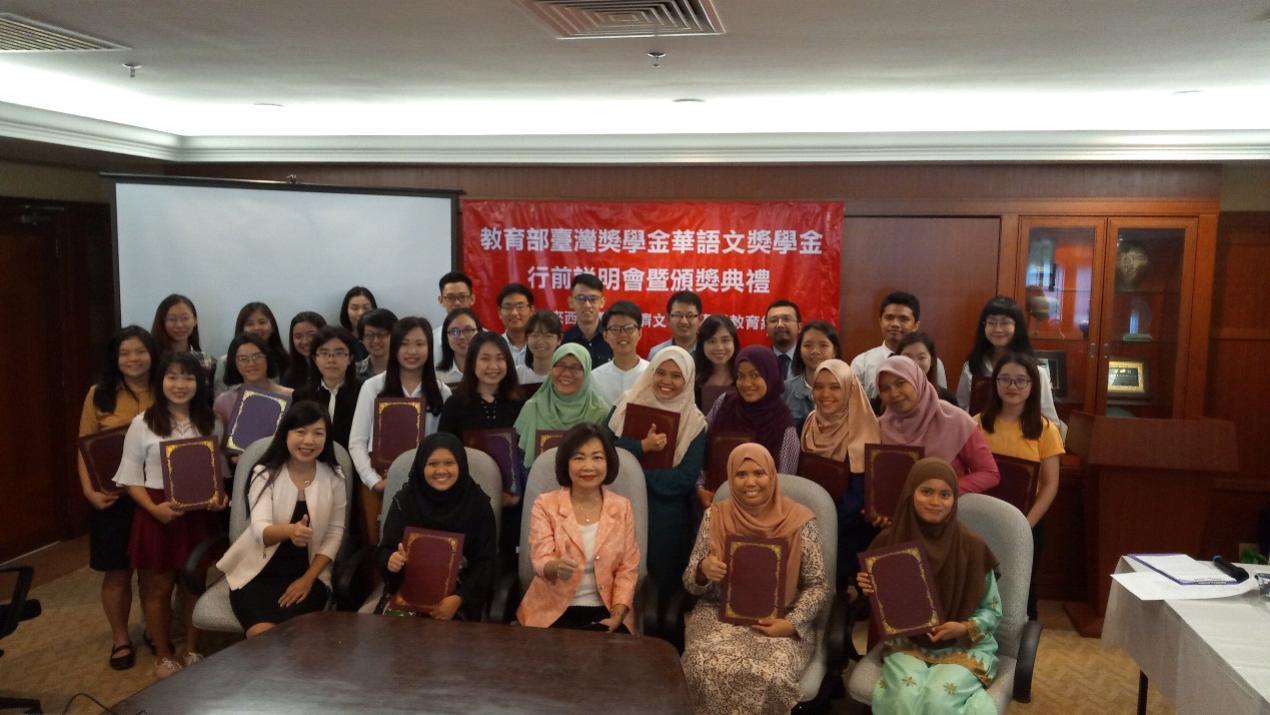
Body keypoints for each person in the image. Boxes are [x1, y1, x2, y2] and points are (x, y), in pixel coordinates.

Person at [680, 443, 831, 715]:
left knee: (769, 672)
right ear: (730, 477)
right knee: (699, 664)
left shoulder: (800, 520)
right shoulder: (715, 515)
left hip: (781, 620)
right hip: (718, 614)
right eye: (741, 474)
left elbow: (817, 584)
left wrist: (791, 623)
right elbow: (690, 581)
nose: (750, 482)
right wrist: (704, 570)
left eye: (759, 473)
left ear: (771, 475)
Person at [113, 351, 228, 679]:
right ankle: (163, 654)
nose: (180, 385)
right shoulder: (143, 423)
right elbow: (130, 478)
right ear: (160, 381)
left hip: (198, 515)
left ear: (199, 382)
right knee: (157, 587)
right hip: (158, 512)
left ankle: (192, 648)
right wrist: (153, 509)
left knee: (194, 583)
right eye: (172, 377)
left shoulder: (211, 421)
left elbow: (218, 473)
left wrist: (219, 498)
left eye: (188, 377)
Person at [856, 458, 1001, 715]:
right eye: (926, 492)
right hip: (908, 643)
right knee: (904, 696)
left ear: (955, 499)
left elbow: (992, 611)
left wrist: (964, 627)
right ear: (911, 493)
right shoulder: (889, 541)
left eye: (945, 494)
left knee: (938, 700)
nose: (935, 502)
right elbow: (885, 607)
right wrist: (870, 589)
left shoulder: (972, 546)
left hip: (962, 645)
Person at [217, 401, 347, 637]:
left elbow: (335, 533)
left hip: (307, 573)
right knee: (263, 638)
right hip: (259, 572)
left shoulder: (334, 476)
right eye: (300, 432)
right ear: (285, 434)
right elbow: (259, 529)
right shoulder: (265, 473)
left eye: (318, 433)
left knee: (299, 642)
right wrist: (290, 532)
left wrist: (307, 580)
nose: (309, 441)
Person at [77, 326, 158, 671]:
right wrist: (88, 491)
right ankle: (121, 638)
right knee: (117, 573)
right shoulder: (99, 394)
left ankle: (156, 629)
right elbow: (84, 447)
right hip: (113, 497)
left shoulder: (167, 388)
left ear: (152, 354)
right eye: (125, 353)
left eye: (140, 351)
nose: (133, 359)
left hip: (155, 493)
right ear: (116, 358)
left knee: (155, 571)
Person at [516, 423, 639, 633]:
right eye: (579, 458)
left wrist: (617, 615)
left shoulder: (622, 507)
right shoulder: (545, 504)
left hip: (607, 612)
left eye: (597, 457)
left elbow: (627, 570)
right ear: (566, 464)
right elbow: (540, 557)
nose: (588, 466)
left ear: (608, 462)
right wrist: (554, 566)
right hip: (551, 612)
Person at [609, 346, 708, 603]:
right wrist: (642, 447)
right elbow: (605, 452)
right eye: (660, 372)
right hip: (617, 508)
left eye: (676, 376)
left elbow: (684, 479)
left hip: (665, 516)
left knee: (658, 591)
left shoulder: (694, 422)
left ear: (688, 380)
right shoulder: (627, 403)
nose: (667, 381)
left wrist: (634, 477)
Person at [349, 317, 452, 547]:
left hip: (427, 485)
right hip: (378, 484)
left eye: (419, 344)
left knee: (420, 546)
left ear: (430, 348)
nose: (412, 351)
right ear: (394, 347)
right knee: (381, 547)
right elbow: (357, 442)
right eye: (405, 344)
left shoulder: (442, 392)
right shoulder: (373, 387)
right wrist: (373, 481)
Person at [975, 352, 1063, 620]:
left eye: (1020, 381)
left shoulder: (1046, 429)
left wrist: (1026, 524)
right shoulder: (976, 423)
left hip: (1028, 523)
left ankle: (1020, 651)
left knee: (1022, 589)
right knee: (978, 585)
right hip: (981, 521)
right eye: (1005, 379)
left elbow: (1050, 485)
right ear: (996, 383)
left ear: (1033, 386)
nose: (1012, 386)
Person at [378, 433, 498, 622]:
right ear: (420, 466)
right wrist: (391, 560)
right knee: (396, 642)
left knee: (448, 645)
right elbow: (385, 549)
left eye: (449, 463)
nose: (441, 470)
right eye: (432, 464)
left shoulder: (477, 504)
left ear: (461, 464)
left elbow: (486, 562)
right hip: (408, 595)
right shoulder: (405, 501)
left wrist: (459, 599)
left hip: (457, 599)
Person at [437, 332, 527, 563]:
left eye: (500, 358)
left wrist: (516, 493)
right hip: (467, 501)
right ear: (472, 362)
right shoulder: (455, 405)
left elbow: (527, 456)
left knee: (509, 564)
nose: (493, 366)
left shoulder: (520, 403)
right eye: (485, 358)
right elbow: (445, 455)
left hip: (513, 504)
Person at [799, 359, 880, 588]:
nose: (825, 394)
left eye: (835, 387)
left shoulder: (865, 427)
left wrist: (824, 520)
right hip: (807, 522)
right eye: (819, 386)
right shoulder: (805, 424)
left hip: (848, 527)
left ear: (849, 389)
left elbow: (861, 492)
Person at [876, 356, 999, 499]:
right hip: (899, 512)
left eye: (901, 383)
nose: (894, 393)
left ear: (917, 380)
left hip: (948, 511)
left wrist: (945, 491)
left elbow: (990, 473)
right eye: (885, 388)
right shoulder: (881, 426)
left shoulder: (955, 419)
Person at [956, 296, 1064, 431]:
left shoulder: (1036, 371)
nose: (998, 329)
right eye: (991, 322)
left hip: (1022, 443)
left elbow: (1051, 422)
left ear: (1017, 326)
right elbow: (961, 411)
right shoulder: (972, 366)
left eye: (1005, 323)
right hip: (979, 440)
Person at [513, 344, 611, 469]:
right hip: (539, 483)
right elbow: (519, 460)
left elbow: (605, 460)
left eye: (575, 368)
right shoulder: (533, 407)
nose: (566, 373)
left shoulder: (599, 411)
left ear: (586, 372)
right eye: (560, 365)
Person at [706, 347, 800, 474]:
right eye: (740, 376)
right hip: (715, 491)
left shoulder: (785, 427)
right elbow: (703, 446)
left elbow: (785, 481)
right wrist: (700, 487)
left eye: (755, 375)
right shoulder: (724, 403)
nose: (746, 383)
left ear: (770, 376)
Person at [213, 332, 294, 466]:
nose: (251, 363)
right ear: (234, 363)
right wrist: (234, 459)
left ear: (267, 358)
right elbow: (222, 447)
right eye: (243, 359)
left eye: (257, 356)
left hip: (283, 467)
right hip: (241, 471)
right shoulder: (223, 401)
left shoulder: (290, 396)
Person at [851, 292, 947, 399]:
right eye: (889, 317)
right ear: (880, 322)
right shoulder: (861, 363)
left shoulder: (930, 363)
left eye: (903, 319)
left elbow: (941, 399)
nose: (895, 324)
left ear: (916, 325)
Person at [294, 325, 362, 450]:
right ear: (315, 359)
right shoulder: (301, 396)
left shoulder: (363, 392)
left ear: (350, 358)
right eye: (324, 353)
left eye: (339, 353)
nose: (331, 360)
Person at [213, 302, 290, 395]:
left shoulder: (285, 360)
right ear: (241, 329)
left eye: (262, 322)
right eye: (250, 324)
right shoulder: (226, 361)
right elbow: (219, 397)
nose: (257, 328)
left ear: (272, 326)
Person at [149, 293, 216, 393]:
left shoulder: (207, 361)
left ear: (195, 321)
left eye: (185, 318)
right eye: (172, 319)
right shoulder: (152, 359)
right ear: (162, 322)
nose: (179, 325)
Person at [784, 320, 841, 429]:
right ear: (799, 350)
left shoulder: (848, 388)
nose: (815, 351)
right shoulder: (786, 390)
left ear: (835, 351)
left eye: (823, 345)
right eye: (808, 345)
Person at [590, 300, 648, 405]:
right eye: (615, 329)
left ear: (640, 333)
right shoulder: (595, 378)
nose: (623, 334)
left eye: (629, 328)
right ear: (605, 336)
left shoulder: (652, 373)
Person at [562, 273, 612, 368]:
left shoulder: (613, 339)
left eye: (593, 299)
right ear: (571, 302)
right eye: (581, 298)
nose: (587, 305)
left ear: (602, 302)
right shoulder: (563, 341)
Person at [896, 332, 959, 406]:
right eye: (907, 357)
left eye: (921, 357)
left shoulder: (947, 399)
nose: (914, 363)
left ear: (931, 361)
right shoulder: (888, 395)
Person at [694, 314, 738, 411]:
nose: (719, 348)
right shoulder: (693, 379)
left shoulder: (743, 377)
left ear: (734, 342)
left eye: (725, 340)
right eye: (712, 341)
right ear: (702, 345)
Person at [433, 271, 475, 361]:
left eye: (462, 297)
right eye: (450, 297)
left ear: (472, 299)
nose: (457, 303)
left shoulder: (486, 337)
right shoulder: (432, 340)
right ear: (441, 301)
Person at [517, 309, 563, 389]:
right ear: (526, 338)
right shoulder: (517, 374)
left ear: (559, 339)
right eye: (535, 335)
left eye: (548, 336)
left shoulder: (565, 375)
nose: (541, 341)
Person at [649, 290, 702, 360]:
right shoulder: (657, 353)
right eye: (678, 315)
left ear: (700, 319)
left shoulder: (709, 352)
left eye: (690, 315)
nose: (684, 321)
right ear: (668, 318)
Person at [436, 307, 483, 385]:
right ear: (446, 337)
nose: (461, 337)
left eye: (468, 330)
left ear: (479, 332)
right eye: (454, 331)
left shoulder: (490, 371)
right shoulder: (438, 377)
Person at [280, 311, 327, 389]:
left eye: (311, 335)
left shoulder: (336, 367)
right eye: (298, 336)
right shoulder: (289, 376)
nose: (305, 341)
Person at [496, 282, 535, 367]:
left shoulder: (540, 346)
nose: (514, 313)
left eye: (520, 306)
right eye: (508, 307)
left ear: (531, 310)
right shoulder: (494, 347)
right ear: (499, 312)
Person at [355, 308, 397, 380]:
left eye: (382, 334)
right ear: (362, 339)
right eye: (369, 335)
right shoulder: (352, 372)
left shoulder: (406, 370)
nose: (376, 341)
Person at [765, 299, 802, 381]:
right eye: (774, 320)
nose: (780, 325)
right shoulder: (759, 361)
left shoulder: (808, 360)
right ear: (766, 328)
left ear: (799, 327)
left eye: (787, 319)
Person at [340, 286, 377, 362]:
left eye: (366, 308)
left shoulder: (380, 338)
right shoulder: (339, 339)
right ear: (346, 310)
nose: (361, 313)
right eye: (354, 308)